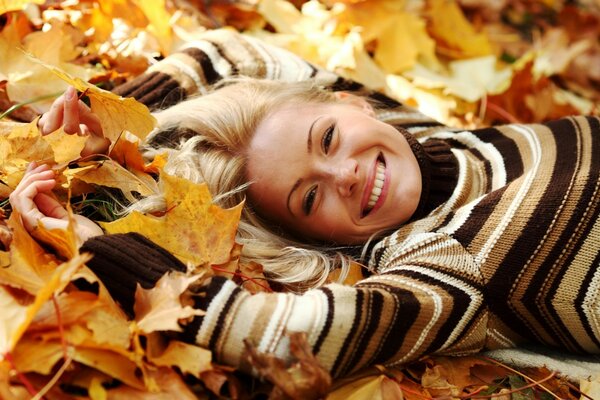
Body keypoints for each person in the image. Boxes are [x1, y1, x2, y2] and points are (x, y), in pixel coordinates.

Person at [8, 30, 600, 380]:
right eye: (310, 196)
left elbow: (227, 52)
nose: (345, 175)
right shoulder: (447, 262)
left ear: (353, 104)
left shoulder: (415, 135)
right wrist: (96, 248)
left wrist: (116, 118)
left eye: (327, 138)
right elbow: (286, 335)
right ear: (316, 237)